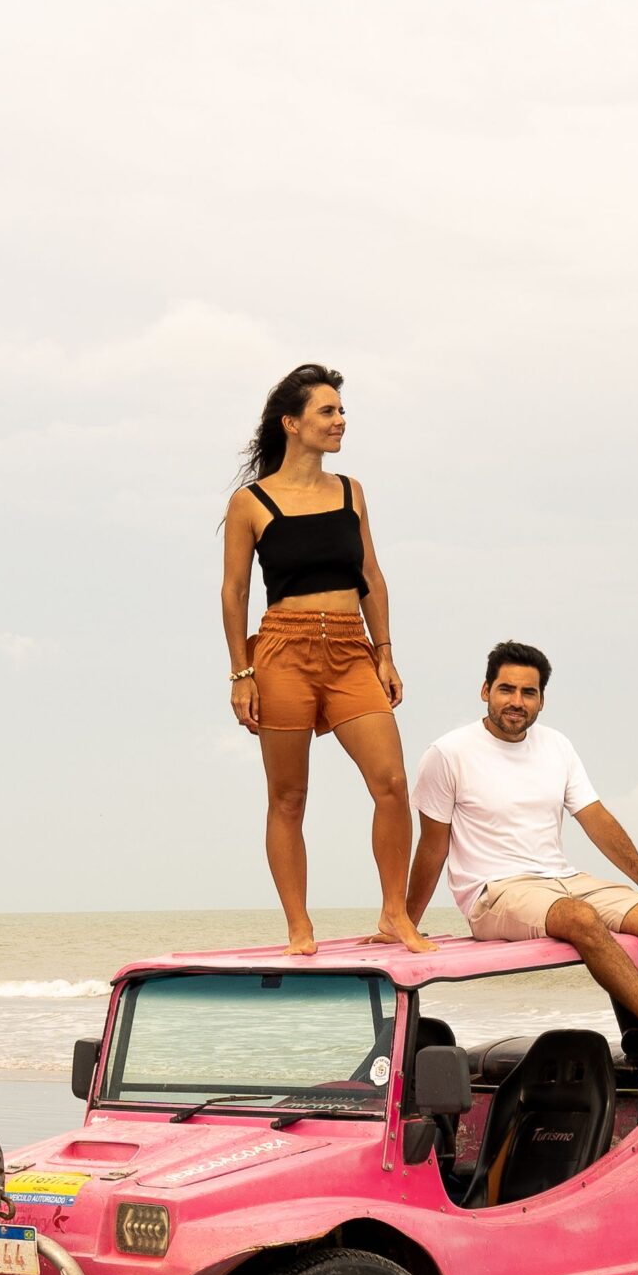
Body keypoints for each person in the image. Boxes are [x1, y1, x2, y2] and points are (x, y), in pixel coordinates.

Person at [405, 641, 638, 1094]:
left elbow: (595, 818)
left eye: (528, 692)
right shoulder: (448, 754)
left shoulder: (556, 746)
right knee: (580, 917)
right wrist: (406, 923)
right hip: (494, 891)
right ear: (485, 691)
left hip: (559, 878)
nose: (517, 701)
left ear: (541, 699)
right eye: (506, 689)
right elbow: (432, 846)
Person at [221, 363, 437, 957]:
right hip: (282, 649)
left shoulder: (350, 491)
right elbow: (234, 592)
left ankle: (395, 913)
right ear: (292, 424)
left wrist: (385, 653)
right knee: (288, 797)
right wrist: (241, 672)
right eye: (328, 411)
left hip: (350, 650)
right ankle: (299, 927)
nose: (340, 420)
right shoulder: (250, 502)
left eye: (342, 411)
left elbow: (370, 575)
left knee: (392, 784)